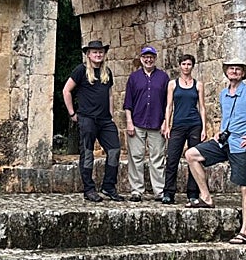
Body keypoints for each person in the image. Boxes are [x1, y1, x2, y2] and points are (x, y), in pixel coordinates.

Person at [184, 58, 246, 244]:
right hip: (224, 142)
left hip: (242, 145)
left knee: (244, 186)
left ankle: (245, 231)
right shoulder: (224, 94)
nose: (234, 71)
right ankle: (206, 198)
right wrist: (220, 132)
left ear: (242, 73)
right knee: (191, 154)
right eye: (231, 68)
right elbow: (229, 117)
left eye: (237, 69)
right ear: (226, 72)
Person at [61, 39, 124, 202]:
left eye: (100, 52)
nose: (98, 54)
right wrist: (72, 113)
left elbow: (109, 94)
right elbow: (66, 90)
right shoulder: (81, 70)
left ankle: (108, 186)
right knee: (88, 153)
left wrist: (110, 114)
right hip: (87, 118)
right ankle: (89, 189)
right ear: (88, 54)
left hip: (105, 120)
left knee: (114, 150)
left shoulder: (107, 72)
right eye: (94, 52)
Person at [122, 45, 169, 201]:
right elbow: (128, 102)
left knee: (157, 158)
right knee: (136, 157)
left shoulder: (163, 77)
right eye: (145, 57)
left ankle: (159, 191)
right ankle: (137, 190)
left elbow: (168, 103)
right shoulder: (134, 78)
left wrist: (165, 122)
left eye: (151, 57)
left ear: (155, 59)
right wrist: (129, 122)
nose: (148, 59)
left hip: (157, 122)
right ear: (141, 59)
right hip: (137, 121)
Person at [161, 53, 206, 205]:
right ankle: (168, 192)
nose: (186, 67)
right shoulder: (173, 84)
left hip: (194, 124)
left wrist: (204, 128)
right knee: (172, 158)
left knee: (193, 159)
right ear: (179, 65)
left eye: (189, 64)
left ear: (192, 66)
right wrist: (167, 125)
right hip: (178, 125)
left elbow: (202, 107)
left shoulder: (198, 85)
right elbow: (169, 106)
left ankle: (192, 193)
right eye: (184, 64)